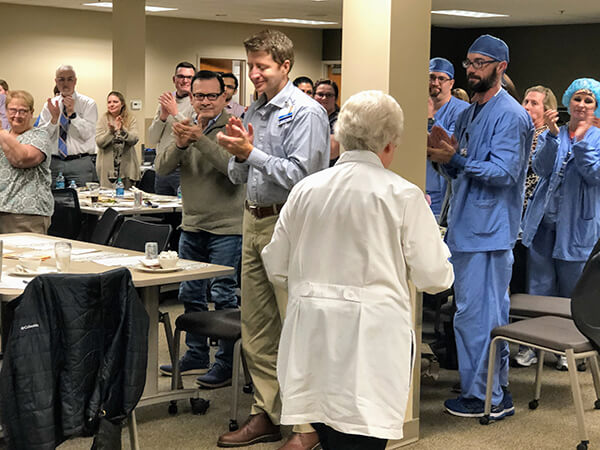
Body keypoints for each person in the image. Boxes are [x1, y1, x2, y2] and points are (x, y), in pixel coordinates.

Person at [261, 89, 455, 450]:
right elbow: (435, 278)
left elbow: (276, 264)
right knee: (364, 438)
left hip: (312, 335)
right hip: (372, 340)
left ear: (341, 137)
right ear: (388, 145)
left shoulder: (305, 190)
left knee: (329, 433)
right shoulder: (402, 195)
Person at [216, 29, 329, 449]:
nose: (254, 74)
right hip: (253, 221)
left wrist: (251, 154)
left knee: (294, 327)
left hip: (291, 225)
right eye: (250, 66)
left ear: (285, 66)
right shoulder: (255, 111)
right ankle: (267, 412)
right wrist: (237, 151)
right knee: (257, 327)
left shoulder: (307, 113)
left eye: (262, 67)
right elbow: (240, 174)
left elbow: (304, 177)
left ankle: (306, 427)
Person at [427, 34, 533, 417]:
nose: (472, 70)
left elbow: (505, 173)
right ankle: (491, 388)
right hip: (467, 227)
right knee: (477, 315)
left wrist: (455, 160)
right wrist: (443, 155)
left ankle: (486, 397)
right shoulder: (471, 110)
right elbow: (461, 164)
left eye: (481, 63)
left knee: (480, 317)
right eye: (469, 62)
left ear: (501, 68)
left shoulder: (511, 115)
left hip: (489, 234)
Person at [155, 70, 244, 388]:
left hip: (227, 227)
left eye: (211, 95)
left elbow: (234, 171)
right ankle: (195, 354)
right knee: (189, 293)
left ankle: (225, 362)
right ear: (190, 97)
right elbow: (161, 167)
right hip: (191, 224)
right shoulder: (182, 122)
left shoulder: (234, 127)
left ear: (224, 97)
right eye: (199, 96)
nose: (205, 101)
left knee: (222, 295)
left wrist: (200, 139)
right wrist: (180, 143)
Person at [521, 78, 600, 369]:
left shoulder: (598, 138)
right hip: (543, 223)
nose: (581, 105)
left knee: (572, 290)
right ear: (569, 101)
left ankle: (568, 349)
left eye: (588, 101)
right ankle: (532, 346)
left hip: (577, 226)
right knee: (537, 287)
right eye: (577, 99)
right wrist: (553, 137)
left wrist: (580, 142)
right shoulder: (553, 133)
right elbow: (540, 168)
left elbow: (594, 175)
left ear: (596, 106)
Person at [512, 85, 558, 368]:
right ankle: (523, 341)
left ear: (546, 109)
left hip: (534, 221)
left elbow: (540, 169)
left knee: (531, 286)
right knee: (518, 283)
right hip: (513, 217)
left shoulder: (547, 139)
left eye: (534, 104)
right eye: (525, 101)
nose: (527, 107)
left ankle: (531, 345)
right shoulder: (520, 134)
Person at [0, 90, 53, 233]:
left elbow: (21, 159)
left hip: (26, 215)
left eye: (23, 111)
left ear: (31, 112)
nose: (17, 115)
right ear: (5, 111)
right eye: (13, 110)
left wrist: (1, 132)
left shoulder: (40, 136)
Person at [38, 65, 98, 187]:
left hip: (80, 162)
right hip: (54, 162)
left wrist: (73, 115)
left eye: (69, 79)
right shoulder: (49, 105)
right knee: (53, 201)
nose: (65, 83)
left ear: (75, 81)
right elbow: (42, 137)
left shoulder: (88, 104)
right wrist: (54, 120)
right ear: (56, 82)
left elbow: (88, 134)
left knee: (82, 201)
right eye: (61, 79)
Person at [427, 58, 469, 217]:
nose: (435, 82)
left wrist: (430, 120)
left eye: (441, 78)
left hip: (443, 188)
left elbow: (447, 146)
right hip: (419, 185)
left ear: (451, 83)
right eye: (431, 77)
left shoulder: (461, 110)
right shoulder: (417, 106)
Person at [147, 61, 196, 195]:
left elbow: (194, 134)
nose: (185, 80)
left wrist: (175, 113)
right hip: (163, 167)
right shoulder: (167, 102)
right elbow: (152, 139)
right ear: (174, 80)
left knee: (182, 213)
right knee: (162, 214)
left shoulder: (197, 102)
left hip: (184, 169)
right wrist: (163, 116)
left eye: (189, 77)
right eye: (181, 76)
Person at [95, 91, 139, 189]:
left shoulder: (131, 119)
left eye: (115, 102)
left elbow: (134, 139)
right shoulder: (103, 119)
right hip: (107, 169)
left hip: (126, 167)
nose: (111, 105)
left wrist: (122, 130)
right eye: (109, 102)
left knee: (126, 198)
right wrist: (110, 132)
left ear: (122, 103)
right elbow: (99, 142)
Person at [314, 79, 341, 166]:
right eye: (320, 94)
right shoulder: (309, 116)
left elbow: (332, 150)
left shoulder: (340, 119)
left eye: (329, 95)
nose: (324, 98)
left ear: (335, 98)